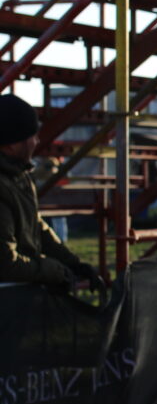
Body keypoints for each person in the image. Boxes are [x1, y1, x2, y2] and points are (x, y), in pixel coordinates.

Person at [0, 94, 103, 293]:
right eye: (31, 135)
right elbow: (5, 264)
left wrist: (73, 264)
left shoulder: (19, 177)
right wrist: (53, 271)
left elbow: (35, 226)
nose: (37, 141)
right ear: (11, 145)